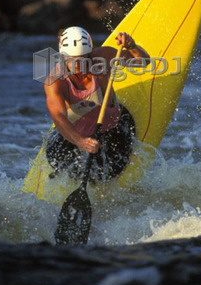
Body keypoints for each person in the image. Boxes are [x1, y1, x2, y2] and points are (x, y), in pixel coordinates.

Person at [44, 26, 150, 183]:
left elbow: (143, 62)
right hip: (75, 136)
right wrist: (81, 141)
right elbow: (58, 117)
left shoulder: (103, 57)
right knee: (66, 167)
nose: (77, 63)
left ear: (89, 53)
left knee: (106, 177)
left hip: (111, 130)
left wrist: (132, 46)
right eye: (71, 59)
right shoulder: (54, 81)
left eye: (82, 57)